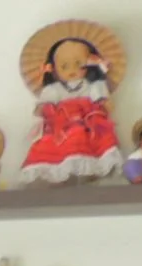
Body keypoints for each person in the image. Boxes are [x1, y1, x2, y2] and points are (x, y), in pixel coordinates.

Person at [19, 34, 123, 184]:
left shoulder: (92, 85)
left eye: (79, 64)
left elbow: (103, 102)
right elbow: (42, 108)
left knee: (84, 138)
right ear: (53, 69)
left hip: (87, 123)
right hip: (61, 126)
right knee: (58, 144)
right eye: (64, 66)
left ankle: (87, 170)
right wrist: (44, 109)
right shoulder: (53, 89)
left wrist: (104, 103)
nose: (72, 69)